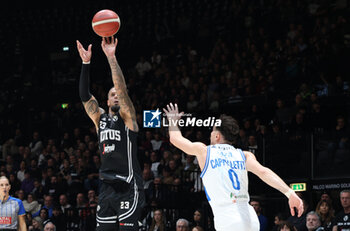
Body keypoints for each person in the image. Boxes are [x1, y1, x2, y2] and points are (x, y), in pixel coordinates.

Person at [163, 103, 304, 231]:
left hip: (227, 218)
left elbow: (175, 139)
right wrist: (289, 193)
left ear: (217, 136)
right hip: (250, 217)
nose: (210, 135)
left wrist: (173, 121)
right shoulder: (244, 155)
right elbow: (263, 171)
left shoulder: (205, 151)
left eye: (212, 132)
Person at [76, 36, 145, 231]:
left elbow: (122, 90)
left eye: (118, 94)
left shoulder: (129, 119)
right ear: (106, 101)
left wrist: (111, 57)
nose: (116, 96)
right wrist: (85, 63)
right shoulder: (100, 119)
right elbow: (84, 96)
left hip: (128, 186)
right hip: (106, 186)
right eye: (111, 94)